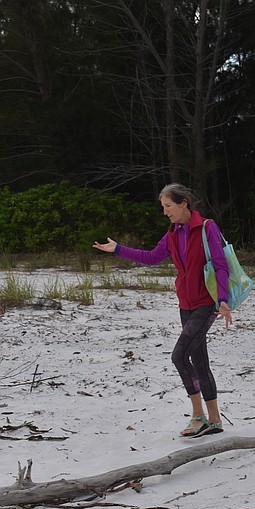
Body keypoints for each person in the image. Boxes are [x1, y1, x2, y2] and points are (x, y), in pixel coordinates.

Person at [93, 183, 232, 438]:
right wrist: (119, 249)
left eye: (168, 206)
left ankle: (199, 416)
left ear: (183, 204)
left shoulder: (206, 228)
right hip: (185, 304)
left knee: (179, 356)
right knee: (199, 360)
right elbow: (152, 257)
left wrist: (222, 300)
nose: (165, 212)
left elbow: (221, 265)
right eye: (163, 207)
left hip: (205, 304)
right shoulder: (172, 233)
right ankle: (213, 420)